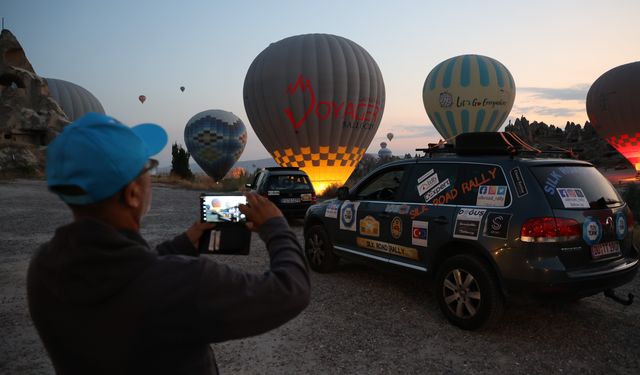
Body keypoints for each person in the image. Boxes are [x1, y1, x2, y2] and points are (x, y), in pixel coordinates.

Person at [27, 113, 310, 375]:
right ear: (133, 193)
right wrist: (276, 227)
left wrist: (183, 244)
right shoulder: (184, 282)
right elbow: (290, 291)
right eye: (147, 169)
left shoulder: (44, 267)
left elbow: (129, 277)